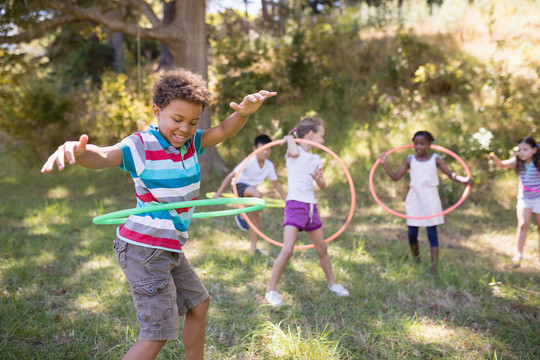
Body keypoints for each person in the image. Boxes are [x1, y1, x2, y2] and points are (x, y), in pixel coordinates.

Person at [41, 68, 276, 360]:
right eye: (177, 119)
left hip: (167, 245)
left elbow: (224, 131)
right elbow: (103, 156)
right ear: (157, 111)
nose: (184, 129)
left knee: (198, 304)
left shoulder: (191, 144)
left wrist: (243, 113)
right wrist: (77, 152)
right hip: (144, 248)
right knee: (158, 332)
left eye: (193, 122)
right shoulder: (140, 145)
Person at [265, 117, 350, 307]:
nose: (323, 140)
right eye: (321, 136)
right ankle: (271, 291)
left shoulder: (316, 158)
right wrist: (289, 138)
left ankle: (333, 284)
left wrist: (319, 179)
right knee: (287, 250)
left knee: (322, 249)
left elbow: (323, 184)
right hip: (295, 205)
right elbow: (295, 151)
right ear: (310, 134)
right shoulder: (292, 151)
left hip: (311, 206)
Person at [378, 131, 471, 277]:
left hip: (430, 200)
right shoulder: (410, 160)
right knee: (412, 234)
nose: (418, 146)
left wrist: (463, 179)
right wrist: (384, 163)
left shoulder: (436, 159)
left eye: (422, 143)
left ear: (429, 145)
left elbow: (450, 174)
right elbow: (396, 177)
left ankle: (433, 268)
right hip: (414, 200)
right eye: (416, 143)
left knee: (431, 233)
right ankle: (416, 259)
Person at [213, 134, 286, 254]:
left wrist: (285, 200)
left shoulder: (269, 165)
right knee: (258, 195)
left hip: (250, 190)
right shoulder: (249, 160)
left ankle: (253, 247)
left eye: (268, 149)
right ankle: (241, 215)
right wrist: (218, 193)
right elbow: (231, 176)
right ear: (254, 149)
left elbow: (276, 183)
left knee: (256, 217)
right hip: (238, 185)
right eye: (262, 148)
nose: (265, 152)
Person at [487, 137, 540, 265]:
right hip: (524, 198)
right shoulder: (518, 162)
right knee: (522, 225)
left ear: (534, 150)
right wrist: (495, 159)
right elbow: (502, 165)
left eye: (525, 150)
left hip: (538, 198)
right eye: (519, 150)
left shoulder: (538, 162)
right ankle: (519, 253)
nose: (521, 152)